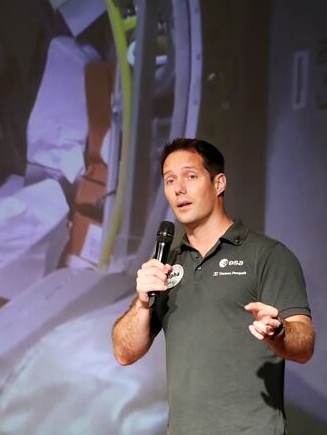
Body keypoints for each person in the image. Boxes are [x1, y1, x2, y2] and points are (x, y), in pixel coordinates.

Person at [111, 138, 315, 434]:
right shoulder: (167, 264)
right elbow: (124, 352)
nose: (178, 188)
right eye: (170, 180)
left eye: (190, 176)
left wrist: (279, 331)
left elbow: (305, 345)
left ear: (218, 184)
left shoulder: (267, 255)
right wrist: (142, 303)